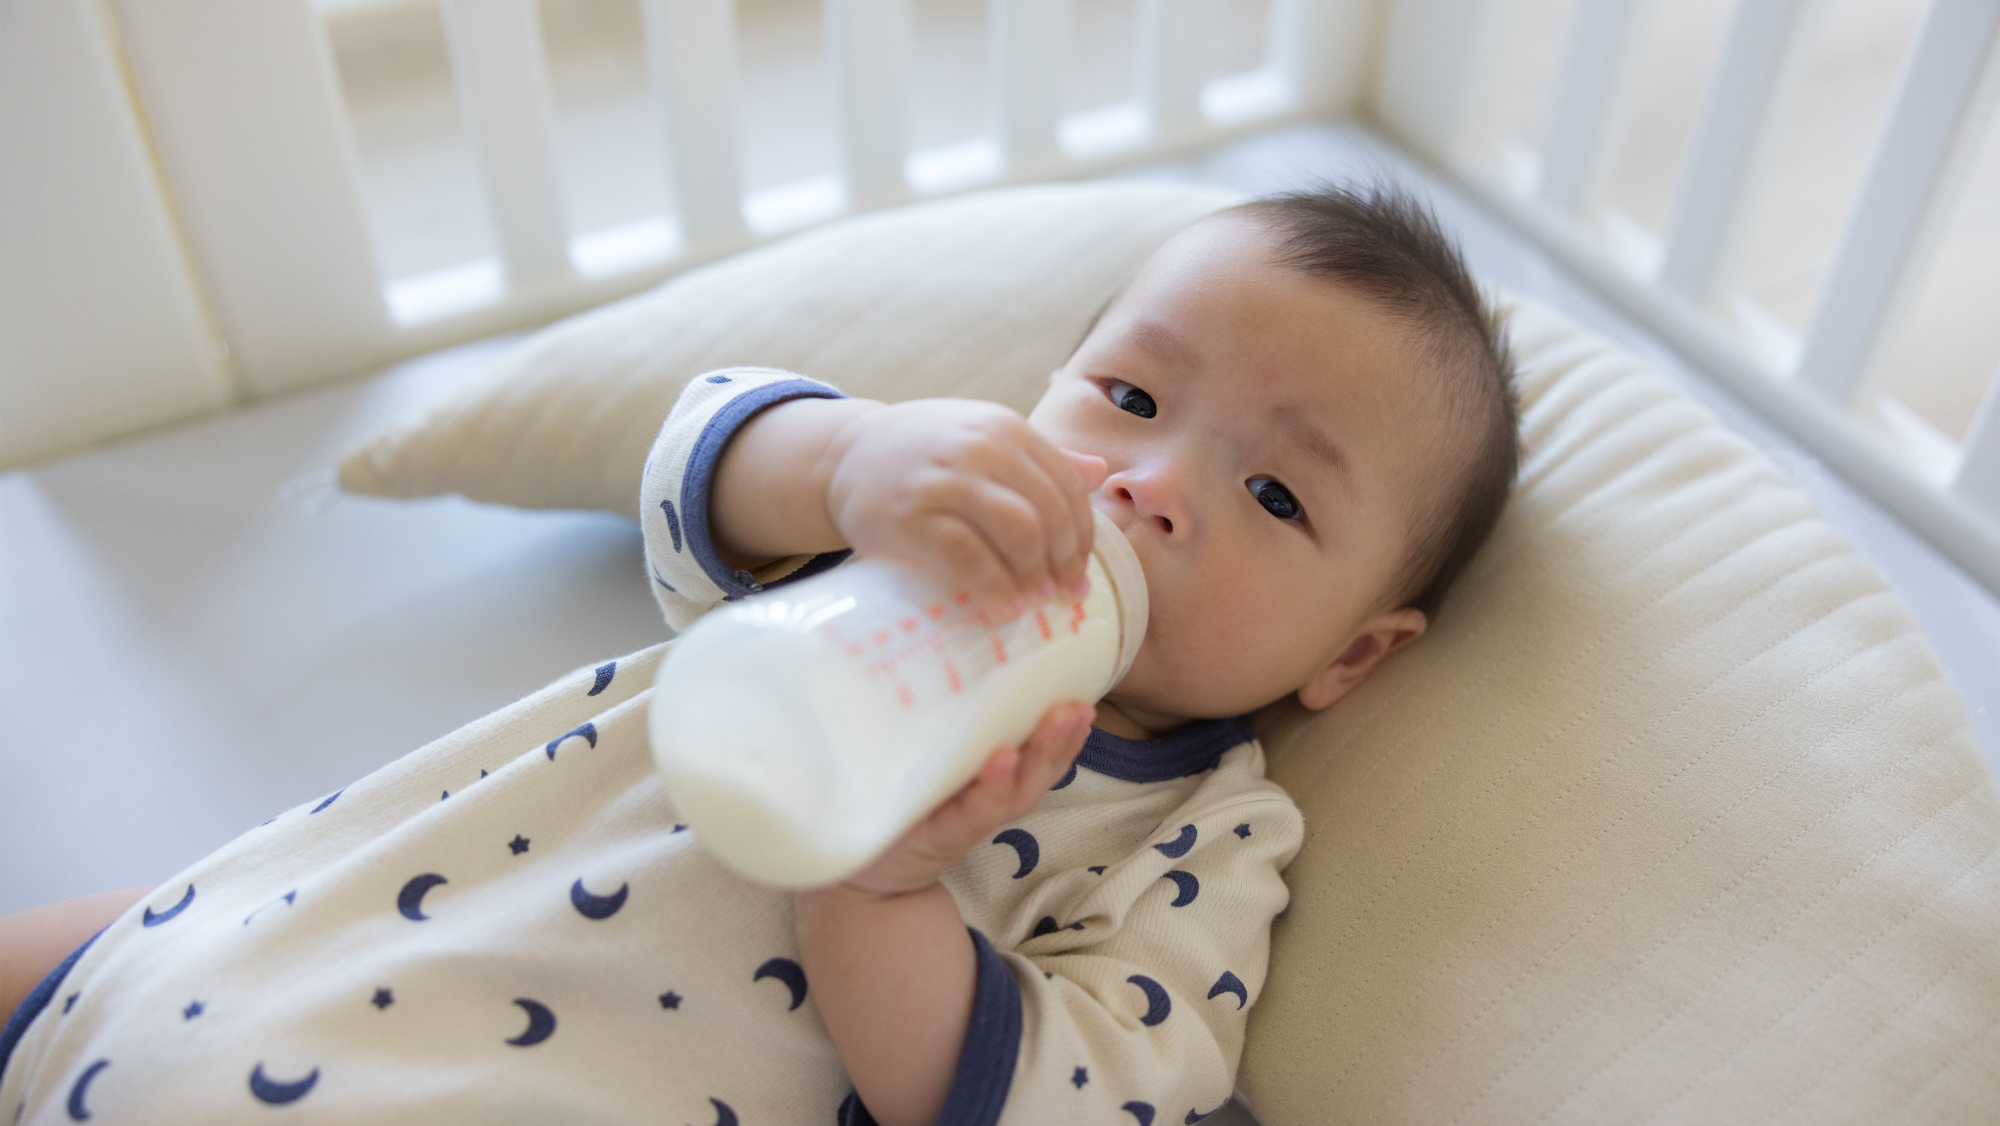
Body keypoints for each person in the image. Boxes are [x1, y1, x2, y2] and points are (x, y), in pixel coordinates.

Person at [0, 184, 1516, 1126]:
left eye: (1273, 494)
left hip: (471, 1091)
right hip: (265, 943)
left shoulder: (1205, 837)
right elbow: (695, 466)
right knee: (106, 935)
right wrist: (849, 454)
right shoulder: (910, 538)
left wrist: (881, 888)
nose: (1152, 485)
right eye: (1128, 394)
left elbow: (1073, 1094)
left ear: (1354, 656)